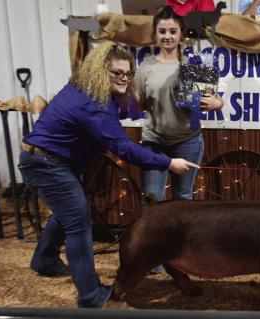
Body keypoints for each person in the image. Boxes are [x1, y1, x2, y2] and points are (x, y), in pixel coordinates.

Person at [18, 42, 199, 308]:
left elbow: (128, 110)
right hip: (46, 163)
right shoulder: (93, 104)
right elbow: (123, 148)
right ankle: (91, 296)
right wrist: (169, 163)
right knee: (78, 221)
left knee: (66, 214)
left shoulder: (92, 91)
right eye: (117, 73)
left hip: (51, 161)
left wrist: (182, 103)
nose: (124, 78)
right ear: (100, 71)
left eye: (127, 74)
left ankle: (44, 260)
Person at [134, 6, 224, 273]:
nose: (167, 36)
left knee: (183, 201)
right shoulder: (146, 66)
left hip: (188, 141)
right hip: (154, 143)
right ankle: (153, 259)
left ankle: (181, 257)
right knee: (153, 200)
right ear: (155, 34)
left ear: (181, 34)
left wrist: (217, 102)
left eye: (173, 31)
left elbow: (215, 99)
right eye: (162, 31)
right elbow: (137, 103)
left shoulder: (193, 66)